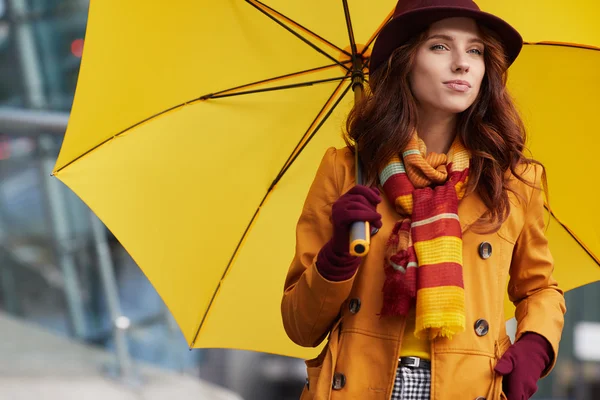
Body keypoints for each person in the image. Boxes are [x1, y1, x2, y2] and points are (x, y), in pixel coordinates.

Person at [280, 0, 566, 399]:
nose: (462, 63)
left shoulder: (513, 179)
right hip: (360, 385)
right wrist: (337, 256)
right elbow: (301, 327)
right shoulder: (348, 170)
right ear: (404, 61)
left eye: (475, 50)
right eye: (440, 46)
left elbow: (539, 288)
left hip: (470, 387)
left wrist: (535, 345)